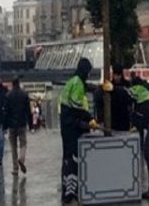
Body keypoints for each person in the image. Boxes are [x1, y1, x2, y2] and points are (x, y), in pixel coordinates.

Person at [59, 58, 93, 205]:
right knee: (73, 157)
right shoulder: (78, 83)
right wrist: (89, 118)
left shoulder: (72, 81)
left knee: (67, 156)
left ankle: (66, 187)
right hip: (72, 125)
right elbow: (76, 106)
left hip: (65, 124)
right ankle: (71, 192)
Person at [3, 77, 33, 176]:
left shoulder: (8, 95)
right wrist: (31, 125)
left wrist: (4, 126)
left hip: (11, 125)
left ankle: (15, 168)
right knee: (23, 143)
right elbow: (28, 111)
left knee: (13, 147)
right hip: (22, 124)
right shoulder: (24, 94)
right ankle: (22, 159)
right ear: (19, 83)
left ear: (12, 84)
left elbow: (6, 112)